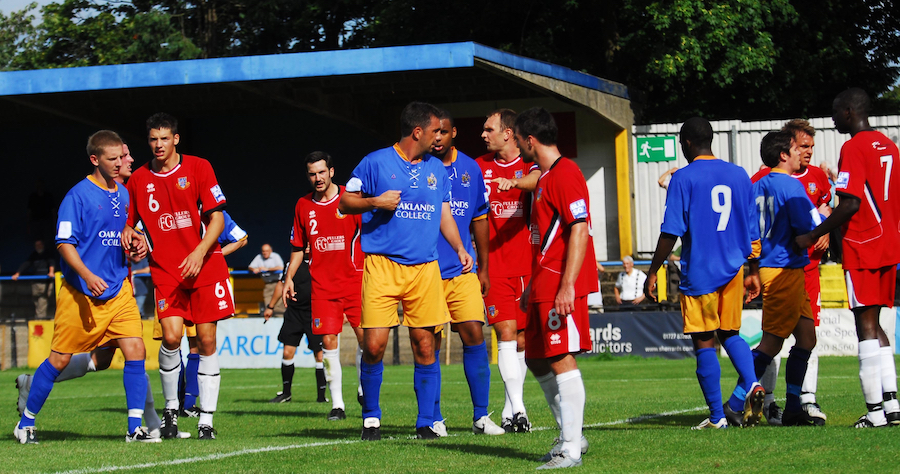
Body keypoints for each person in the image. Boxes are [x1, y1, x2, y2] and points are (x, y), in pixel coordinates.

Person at [339, 101, 472, 440]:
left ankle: (426, 421)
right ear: (417, 132)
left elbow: (444, 213)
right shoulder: (375, 162)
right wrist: (374, 202)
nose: (439, 137)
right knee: (374, 345)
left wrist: (459, 247)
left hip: (425, 268)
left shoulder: (437, 169)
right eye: (435, 131)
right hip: (382, 266)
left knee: (426, 345)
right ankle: (371, 418)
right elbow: (344, 201)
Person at [14, 130, 157, 444]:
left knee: (136, 350)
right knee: (59, 360)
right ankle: (26, 422)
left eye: (122, 157)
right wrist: (87, 275)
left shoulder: (123, 193)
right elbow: (65, 244)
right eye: (113, 159)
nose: (121, 163)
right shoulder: (76, 196)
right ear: (95, 160)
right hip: (82, 294)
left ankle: (135, 428)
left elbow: (125, 232)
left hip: (118, 290)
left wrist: (136, 243)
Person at [644, 116, 765, 430]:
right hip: (734, 269)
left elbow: (671, 231)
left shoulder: (683, 178)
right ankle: (752, 383)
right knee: (731, 334)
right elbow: (753, 231)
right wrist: (753, 270)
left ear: (686, 143)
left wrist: (653, 270)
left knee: (704, 341)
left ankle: (717, 417)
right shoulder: (739, 175)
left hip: (700, 271)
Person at [122, 112, 235, 440]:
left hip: (205, 266)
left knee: (206, 340)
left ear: (176, 139)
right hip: (166, 270)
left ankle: (206, 420)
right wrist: (134, 239)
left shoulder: (199, 167)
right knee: (171, 337)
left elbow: (217, 218)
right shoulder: (139, 179)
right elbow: (130, 225)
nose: (158, 145)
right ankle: (171, 411)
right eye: (153, 139)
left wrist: (199, 252)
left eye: (164, 138)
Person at [795, 88, 900, 428]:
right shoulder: (889, 145)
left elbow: (850, 203)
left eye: (836, 112)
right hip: (889, 242)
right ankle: (892, 405)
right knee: (879, 324)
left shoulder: (853, 147)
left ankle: (874, 414)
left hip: (863, 243)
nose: (832, 118)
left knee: (865, 325)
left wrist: (813, 233)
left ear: (851, 111)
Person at [513, 107, 596, 469]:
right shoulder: (546, 178)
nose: (518, 148)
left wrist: (566, 286)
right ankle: (571, 435)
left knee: (561, 358)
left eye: (518, 141)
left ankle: (571, 449)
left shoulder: (566, 173)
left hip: (559, 283)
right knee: (534, 357)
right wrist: (533, 282)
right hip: (543, 281)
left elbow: (579, 228)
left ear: (530, 141)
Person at [749, 119, 832, 425]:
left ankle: (795, 405)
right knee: (772, 342)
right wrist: (824, 223)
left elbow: (750, 230)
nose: (803, 154)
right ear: (785, 153)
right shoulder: (790, 185)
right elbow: (807, 227)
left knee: (807, 339)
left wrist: (752, 267)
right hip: (784, 268)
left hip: (785, 267)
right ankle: (734, 402)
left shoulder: (757, 185)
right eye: (799, 148)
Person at [429, 110, 504, 436]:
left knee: (475, 334)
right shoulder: (418, 169)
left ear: (454, 133)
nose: (437, 138)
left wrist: (484, 267)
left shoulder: (471, 169)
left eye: (443, 132)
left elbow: (480, 219)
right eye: (433, 133)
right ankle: (433, 418)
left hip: (463, 271)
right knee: (427, 344)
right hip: (426, 272)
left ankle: (481, 417)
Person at [283, 151, 366, 420]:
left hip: (355, 281)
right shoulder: (302, 205)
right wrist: (289, 277)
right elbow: (297, 247)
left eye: (321, 172)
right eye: (312, 173)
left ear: (332, 171)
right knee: (328, 342)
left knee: (367, 340)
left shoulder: (351, 199)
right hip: (322, 286)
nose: (317, 178)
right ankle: (338, 405)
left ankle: (365, 389)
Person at [474, 108, 541, 432]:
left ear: (508, 133)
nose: (483, 135)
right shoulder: (478, 167)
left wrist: (513, 181)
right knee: (505, 333)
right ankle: (520, 410)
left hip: (528, 267)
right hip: (495, 267)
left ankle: (508, 408)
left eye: (489, 129)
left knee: (523, 340)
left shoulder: (530, 164)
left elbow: (537, 179)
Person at [265, 253, 326, 404]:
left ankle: (321, 396)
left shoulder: (321, 261)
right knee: (287, 352)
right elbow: (282, 283)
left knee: (319, 355)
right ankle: (286, 394)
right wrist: (270, 306)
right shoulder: (291, 263)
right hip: (294, 313)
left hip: (315, 313)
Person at [11, 239, 56, 319]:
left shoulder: (48, 254)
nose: (38, 247)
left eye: (39, 245)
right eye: (36, 245)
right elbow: (26, 264)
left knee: (42, 301)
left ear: (43, 245)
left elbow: (51, 262)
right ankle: (39, 318)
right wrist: (17, 273)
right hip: (36, 282)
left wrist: (51, 272)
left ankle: (40, 320)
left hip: (45, 282)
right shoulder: (34, 255)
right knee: (36, 301)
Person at [249, 244, 285, 316]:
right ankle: (270, 323)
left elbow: (281, 268)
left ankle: (281, 321)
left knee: (278, 306)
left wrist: (267, 269)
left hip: (277, 284)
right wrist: (254, 269)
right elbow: (250, 267)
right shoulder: (259, 257)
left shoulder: (275, 256)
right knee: (268, 306)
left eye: (267, 251)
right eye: (263, 251)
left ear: (271, 251)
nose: (265, 253)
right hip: (267, 285)